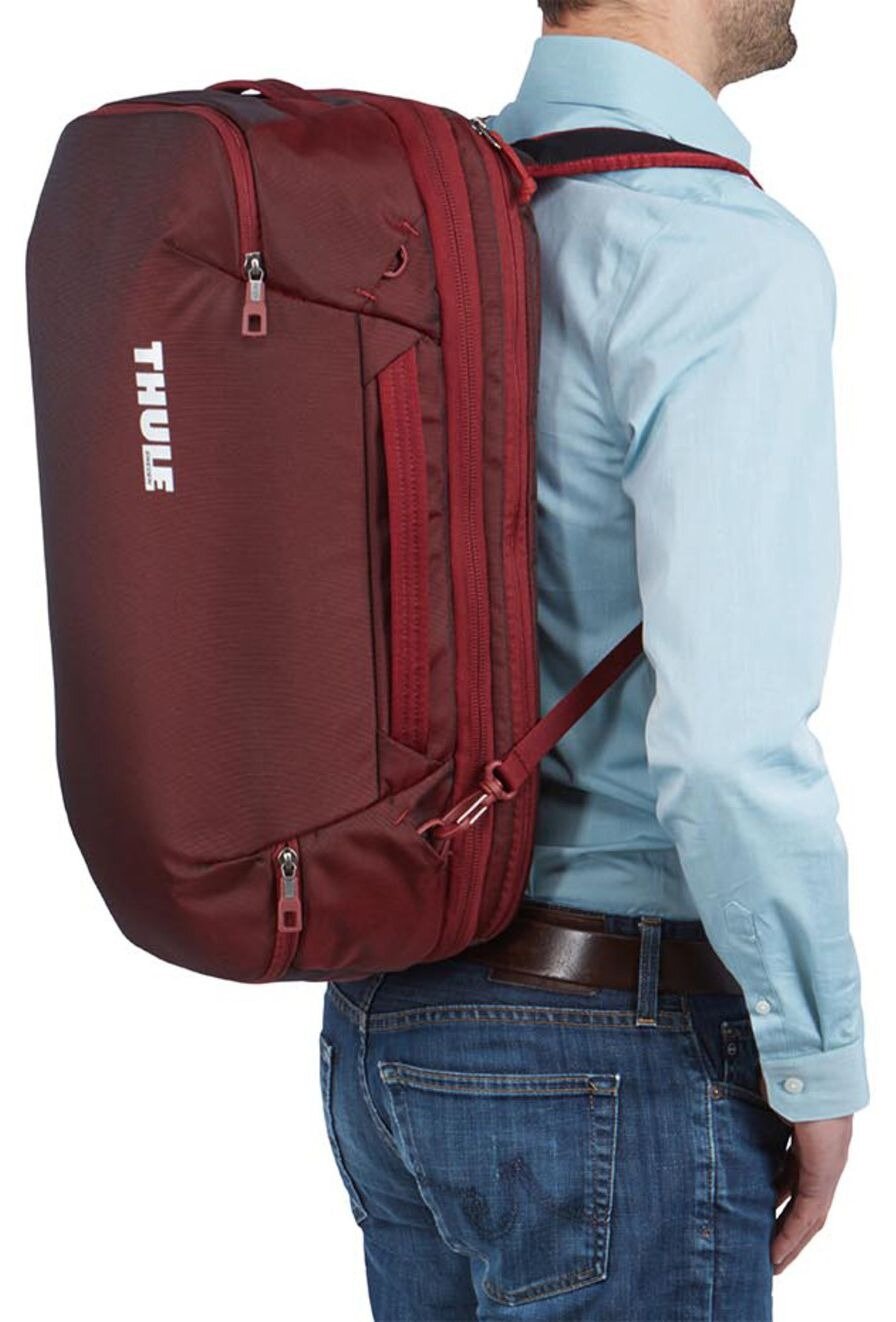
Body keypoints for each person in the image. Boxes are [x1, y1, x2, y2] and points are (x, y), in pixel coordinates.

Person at [319, 2, 870, 1317]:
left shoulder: (416, 223)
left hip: (387, 1016)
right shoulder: (715, 251)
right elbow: (728, 744)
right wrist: (815, 1057)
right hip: (610, 1037)